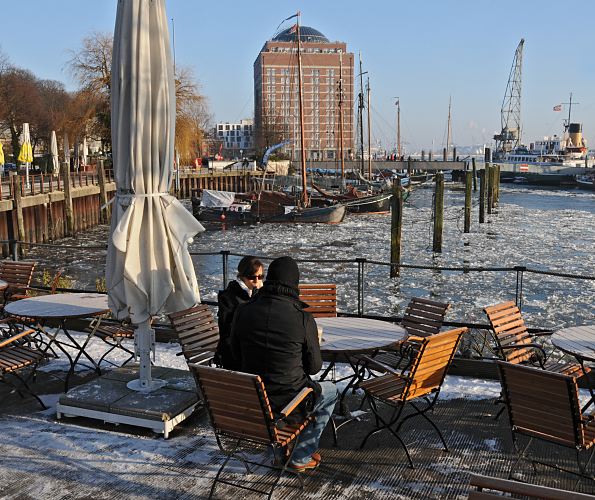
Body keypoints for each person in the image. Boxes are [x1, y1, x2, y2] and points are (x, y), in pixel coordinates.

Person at [230, 256, 338, 472]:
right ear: (294, 284)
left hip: (254, 401)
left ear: (269, 279)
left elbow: (234, 356)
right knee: (331, 391)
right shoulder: (303, 319)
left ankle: (282, 450)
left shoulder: (243, 311)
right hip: (288, 403)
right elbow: (314, 368)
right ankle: (300, 455)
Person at [215, 255, 264, 369]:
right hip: (235, 355)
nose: (257, 281)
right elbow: (228, 331)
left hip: (251, 349)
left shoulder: (259, 294)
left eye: (261, 276)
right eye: (252, 277)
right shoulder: (229, 297)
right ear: (242, 276)